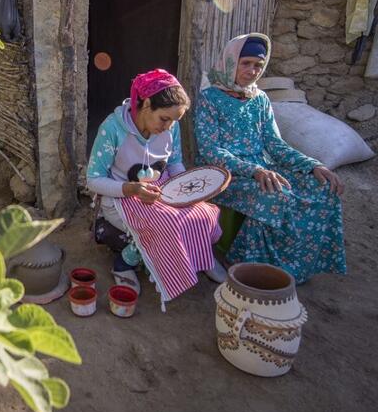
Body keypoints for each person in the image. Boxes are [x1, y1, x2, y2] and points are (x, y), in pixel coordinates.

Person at [194, 33, 346, 284]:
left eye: (258, 65)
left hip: (262, 167)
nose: (253, 71)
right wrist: (253, 170)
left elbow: (274, 144)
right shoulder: (210, 99)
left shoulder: (260, 99)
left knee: (322, 188)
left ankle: (292, 266)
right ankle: (240, 261)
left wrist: (313, 165)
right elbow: (211, 150)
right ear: (231, 61)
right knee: (274, 195)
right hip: (221, 173)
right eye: (246, 63)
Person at [87, 69, 226, 310]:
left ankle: (200, 255)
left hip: (160, 190)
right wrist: (131, 189)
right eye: (164, 119)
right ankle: (125, 262)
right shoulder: (112, 128)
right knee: (165, 225)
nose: (169, 126)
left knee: (204, 212)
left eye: (174, 121)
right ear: (147, 103)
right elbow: (93, 179)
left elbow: (173, 163)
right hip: (120, 196)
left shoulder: (171, 128)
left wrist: (186, 188)